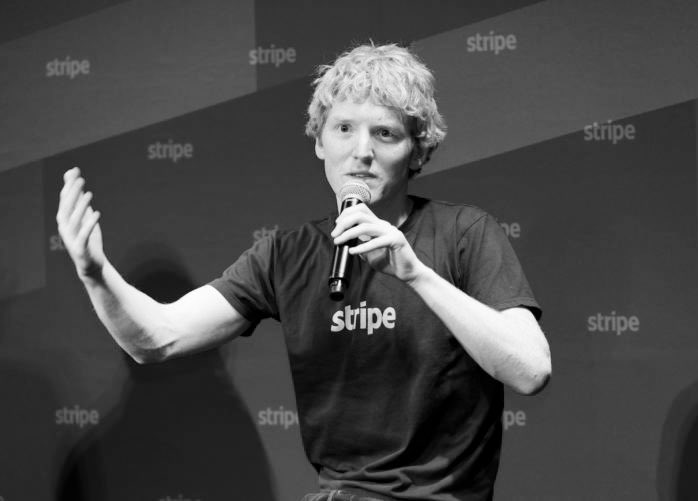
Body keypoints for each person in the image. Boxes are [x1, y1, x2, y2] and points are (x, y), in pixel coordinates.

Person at [57, 43, 551, 501]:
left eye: (384, 133)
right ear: (319, 142)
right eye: (343, 129)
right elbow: (156, 338)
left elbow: (530, 370)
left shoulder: (465, 233)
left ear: (416, 150)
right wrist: (95, 273)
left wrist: (416, 274)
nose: (361, 151)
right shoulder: (286, 255)